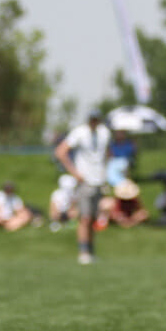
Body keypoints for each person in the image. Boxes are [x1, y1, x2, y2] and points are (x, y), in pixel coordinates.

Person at [54, 108, 111, 264]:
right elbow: (61, 152)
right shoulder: (79, 132)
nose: (94, 122)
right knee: (84, 217)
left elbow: (106, 154)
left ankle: (91, 251)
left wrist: (106, 174)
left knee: (92, 218)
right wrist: (75, 173)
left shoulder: (105, 133)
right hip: (84, 182)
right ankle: (83, 252)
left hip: (99, 181)